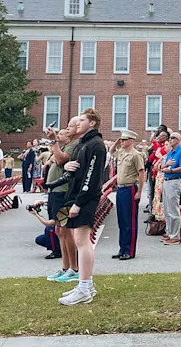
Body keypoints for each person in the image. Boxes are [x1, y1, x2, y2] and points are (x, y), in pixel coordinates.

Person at [59, 109, 107, 306]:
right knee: (81, 241)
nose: (77, 123)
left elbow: (92, 176)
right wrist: (68, 166)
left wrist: (79, 202)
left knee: (82, 241)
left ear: (93, 123)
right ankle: (86, 284)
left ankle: (84, 287)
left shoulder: (96, 144)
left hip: (87, 198)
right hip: (79, 195)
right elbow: (79, 169)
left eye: (82, 120)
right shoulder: (83, 143)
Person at [45, 122, 80, 285]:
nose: (59, 134)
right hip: (54, 191)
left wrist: (54, 142)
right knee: (59, 230)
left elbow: (60, 160)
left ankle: (74, 268)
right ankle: (65, 267)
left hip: (63, 191)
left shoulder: (73, 145)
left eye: (64, 132)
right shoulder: (63, 146)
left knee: (66, 230)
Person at [112, 130, 145, 261]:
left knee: (129, 222)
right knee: (121, 221)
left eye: (124, 140)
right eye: (121, 140)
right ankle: (122, 249)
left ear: (131, 141)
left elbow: (141, 173)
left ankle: (129, 251)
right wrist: (116, 142)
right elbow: (111, 151)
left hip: (130, 188)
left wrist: (139, 192)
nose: (122, 142)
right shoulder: (120, 152)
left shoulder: (136, 155)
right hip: (120, 189)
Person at [161, 131, 181, 246]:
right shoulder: (170, 153)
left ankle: (175, 236)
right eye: (170, 138)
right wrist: (166, 165)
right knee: (167, 209)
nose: (170, 140)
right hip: (167, 180)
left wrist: (171, 170)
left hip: (174, 181)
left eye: (173, 138)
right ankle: (169, 232)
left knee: (173, 210)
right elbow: (162, 166)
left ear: (178, 140)